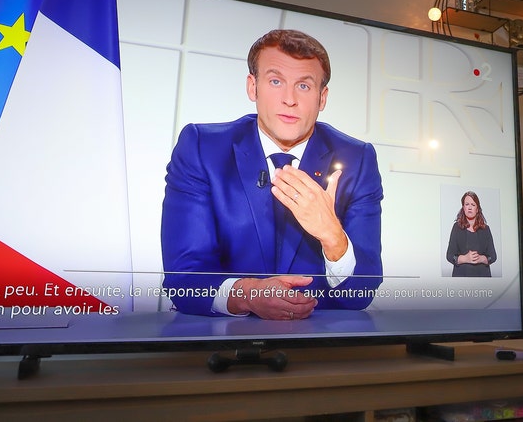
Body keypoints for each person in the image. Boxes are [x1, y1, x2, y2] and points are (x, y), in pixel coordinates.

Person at [161, 29, 383, 319]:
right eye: (276, 81)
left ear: (322, 97)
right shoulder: (202, 147)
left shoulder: (357, 159)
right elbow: (184, 278)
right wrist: (247, 295)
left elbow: (361, 293)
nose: (289, 99)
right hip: (220, 344)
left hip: (321, 346)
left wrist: (332, 236)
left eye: (304, 86)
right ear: (253, 87)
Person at [445, 191, 497, 277]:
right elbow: (450, 255)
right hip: (461, 280)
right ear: (463, 207)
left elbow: (493, 256)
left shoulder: (485, 229)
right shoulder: (456, 227)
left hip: (483, 281)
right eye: (467, 204)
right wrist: (465, 258)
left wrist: (481, 259)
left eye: (473, 205)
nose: (469, 207)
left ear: (477, 209)